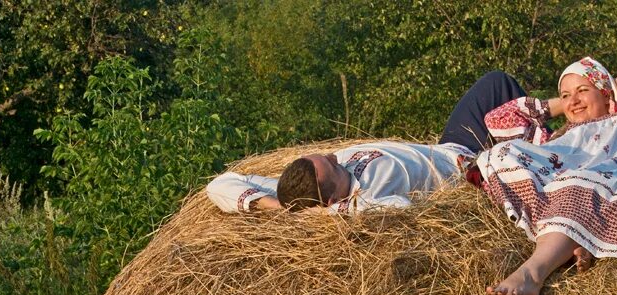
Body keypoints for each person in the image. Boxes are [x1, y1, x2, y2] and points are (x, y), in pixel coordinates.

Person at [474, 49, 617, 295]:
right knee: (502, 152)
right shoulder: (554, 137)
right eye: (566, 95)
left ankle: (532, 273)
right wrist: (564, 103)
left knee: (578, 185)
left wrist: (611, 85)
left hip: (611, 179)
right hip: (560, 181)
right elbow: (498, 118)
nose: (573, 100)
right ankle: (579, 244)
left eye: (583, 90)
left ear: (605, 94)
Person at [205, 71, 529, 214]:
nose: (333, 156)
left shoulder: (294, 190)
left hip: (449, 146)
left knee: (496, 82)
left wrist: (277, 206)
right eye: (331, 165)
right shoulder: (363, 203)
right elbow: (401, 207)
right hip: (469, 168)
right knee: (527, 155)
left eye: (322, 156)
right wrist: (322, 216)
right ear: (332, 201)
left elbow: (221, 185)